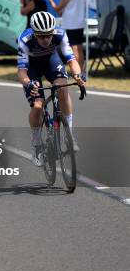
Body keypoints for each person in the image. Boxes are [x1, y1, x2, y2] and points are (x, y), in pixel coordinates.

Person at [17, 11, 85, 166]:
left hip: (51, 62)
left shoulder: (60, 34)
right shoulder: (25, 39)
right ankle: (36, 144)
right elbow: (21, 72)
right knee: (38, 105)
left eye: (48, 35)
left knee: (62, 88)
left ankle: (69, 135)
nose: (46, 39)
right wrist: (28, 83)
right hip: (32, 68)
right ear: (34, 34)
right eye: (41, 36)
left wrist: (78, 75)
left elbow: (71, 60)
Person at [46, 0, 87, 71]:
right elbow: (64, 11)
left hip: (71, 25)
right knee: (79, 48)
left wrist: (51, 0)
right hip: (79, 23)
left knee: (74, 49)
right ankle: (81, 70)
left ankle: (77, 71)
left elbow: (57, 9)